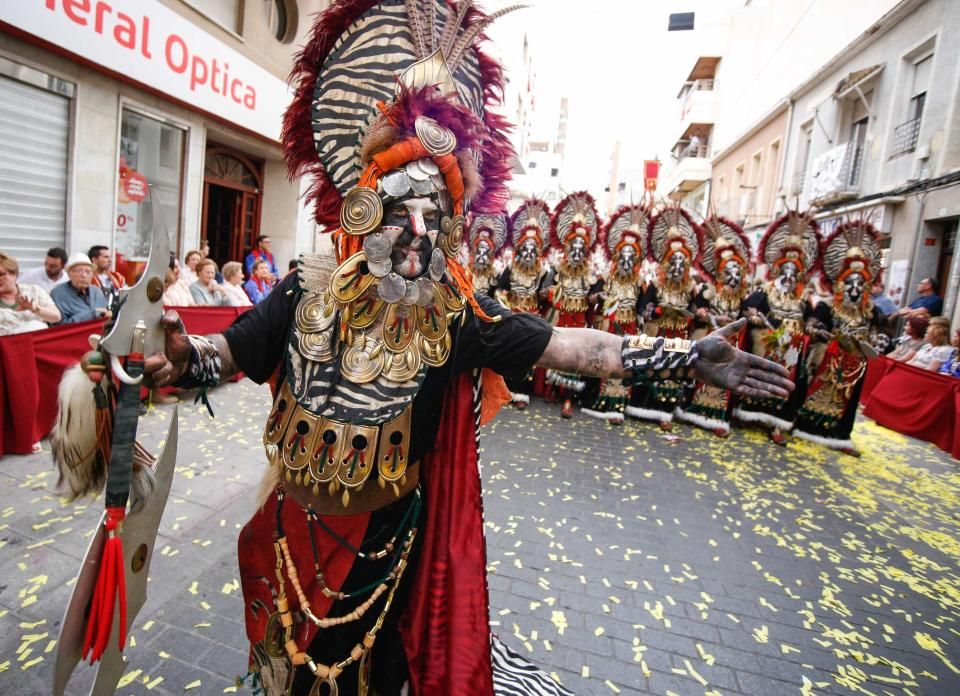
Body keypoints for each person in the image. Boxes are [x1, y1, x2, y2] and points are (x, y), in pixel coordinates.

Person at [138, 3, 792, 694]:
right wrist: (184, 358)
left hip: (386, 546)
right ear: (364, 210)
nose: (419, 228)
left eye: (437, 214)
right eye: (401, 209)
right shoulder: (306, 286)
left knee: (371, 679)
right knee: (282, 675)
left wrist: (682, 356)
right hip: (286, 530)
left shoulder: (457, 317)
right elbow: (228, 357)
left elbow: (572, 347)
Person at [792, 219, 882, 455]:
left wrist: (870, 343)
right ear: (840, 285)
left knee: (846, 400)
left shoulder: (871, 311)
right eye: (850, 284)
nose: (855, 289)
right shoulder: (828, 306)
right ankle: (800, 424)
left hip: (853, 364)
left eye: (860, 284)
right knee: (810, 389)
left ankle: (839, 436)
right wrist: (821, 332)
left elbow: (879, 334)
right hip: (825, 360)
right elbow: (810, 325)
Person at [733, 209, 822, 446]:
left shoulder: (803, 299)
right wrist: (756, 318)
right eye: (786, 270)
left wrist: (812, 327)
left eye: (794, 271)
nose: (790, 275)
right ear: (778, 269)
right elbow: (748, 310)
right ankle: (747, 416)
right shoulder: (766, 292)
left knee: (786, 383)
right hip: (766, 345)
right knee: (759, 377)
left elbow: (811, 320)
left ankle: (777, 424)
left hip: (791, 349)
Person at [677, 215, 753, 438]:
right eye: (728, 271)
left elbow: (746, 314)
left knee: (726, 377)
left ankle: (719, 418)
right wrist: (703, 313)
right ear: (720, 272)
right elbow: (697, 309)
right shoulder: (708, 290)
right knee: (702, 373)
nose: (733, 275)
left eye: (736, 271)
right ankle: (692, 411)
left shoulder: (743, 296)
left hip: (732, 343)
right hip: (710, 339)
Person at [627, 204, 701, 430]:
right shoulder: (656, 285)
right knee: (652, 367)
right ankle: (643, 407)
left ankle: (666, 413)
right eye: (674, 262)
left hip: (679, 334)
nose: (677, 268)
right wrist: (656, 311)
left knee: (674, 371)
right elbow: (642, 309)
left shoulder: (691, 286)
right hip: (656, 332)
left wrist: (693, 314)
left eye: (682, 263)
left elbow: (696, 311)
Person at [581, 205, 650, 424]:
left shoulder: (640, 283)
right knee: (600, 363)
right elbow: (590, 298)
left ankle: (617, 407)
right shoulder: (604, 277)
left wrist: (647, 312)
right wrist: (598, 297)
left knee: (623, 364)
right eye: (623, 256)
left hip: (628, 328)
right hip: (606, 327)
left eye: (632, 257)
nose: (626, 261)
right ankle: (594, 404)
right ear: (617, 256)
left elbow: (642, 307)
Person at [544, 191, 601, 418]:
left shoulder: (592, 275)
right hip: (560, 319)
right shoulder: (557, 270)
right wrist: (550, 294)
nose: (577, 251)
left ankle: (568, 398)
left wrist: (597, 298)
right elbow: (545, 292)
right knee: (554, 353)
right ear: (566, 248)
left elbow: (595, 298)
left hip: (579, 322)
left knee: (575, 358)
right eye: (573, 246)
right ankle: (553, 390)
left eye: (581, 247)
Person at [496, 199, 551, 408]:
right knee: (509, 353)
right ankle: (505, 390)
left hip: (532, 316)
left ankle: (522, 393)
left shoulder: (543, 272)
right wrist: (505, 305)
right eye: (525, 247)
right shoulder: (511, 267)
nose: (528, 251)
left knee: (528, 354)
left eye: (533, 247)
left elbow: (545, 296)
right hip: (512, 315)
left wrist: (546, 295)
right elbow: (500, 290)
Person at [0, 251, 61, 335]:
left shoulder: (34, 291)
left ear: (13, 274)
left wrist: (34, 308)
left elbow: (56, 317)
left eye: (1, 274)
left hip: (38, 343)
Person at [50, 253, 110, 324]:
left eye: (88, 272)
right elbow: (61, 325)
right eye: (79, 271)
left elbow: (107, 314)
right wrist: (92, 314)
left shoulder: (96, 291)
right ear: (69, 274)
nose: (84, 275)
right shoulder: (58, 293)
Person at [466, 213, 507, 299]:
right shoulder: (467, 263)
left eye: (485, 250)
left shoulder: (495, 267)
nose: (481, 255)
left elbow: (497, 287)